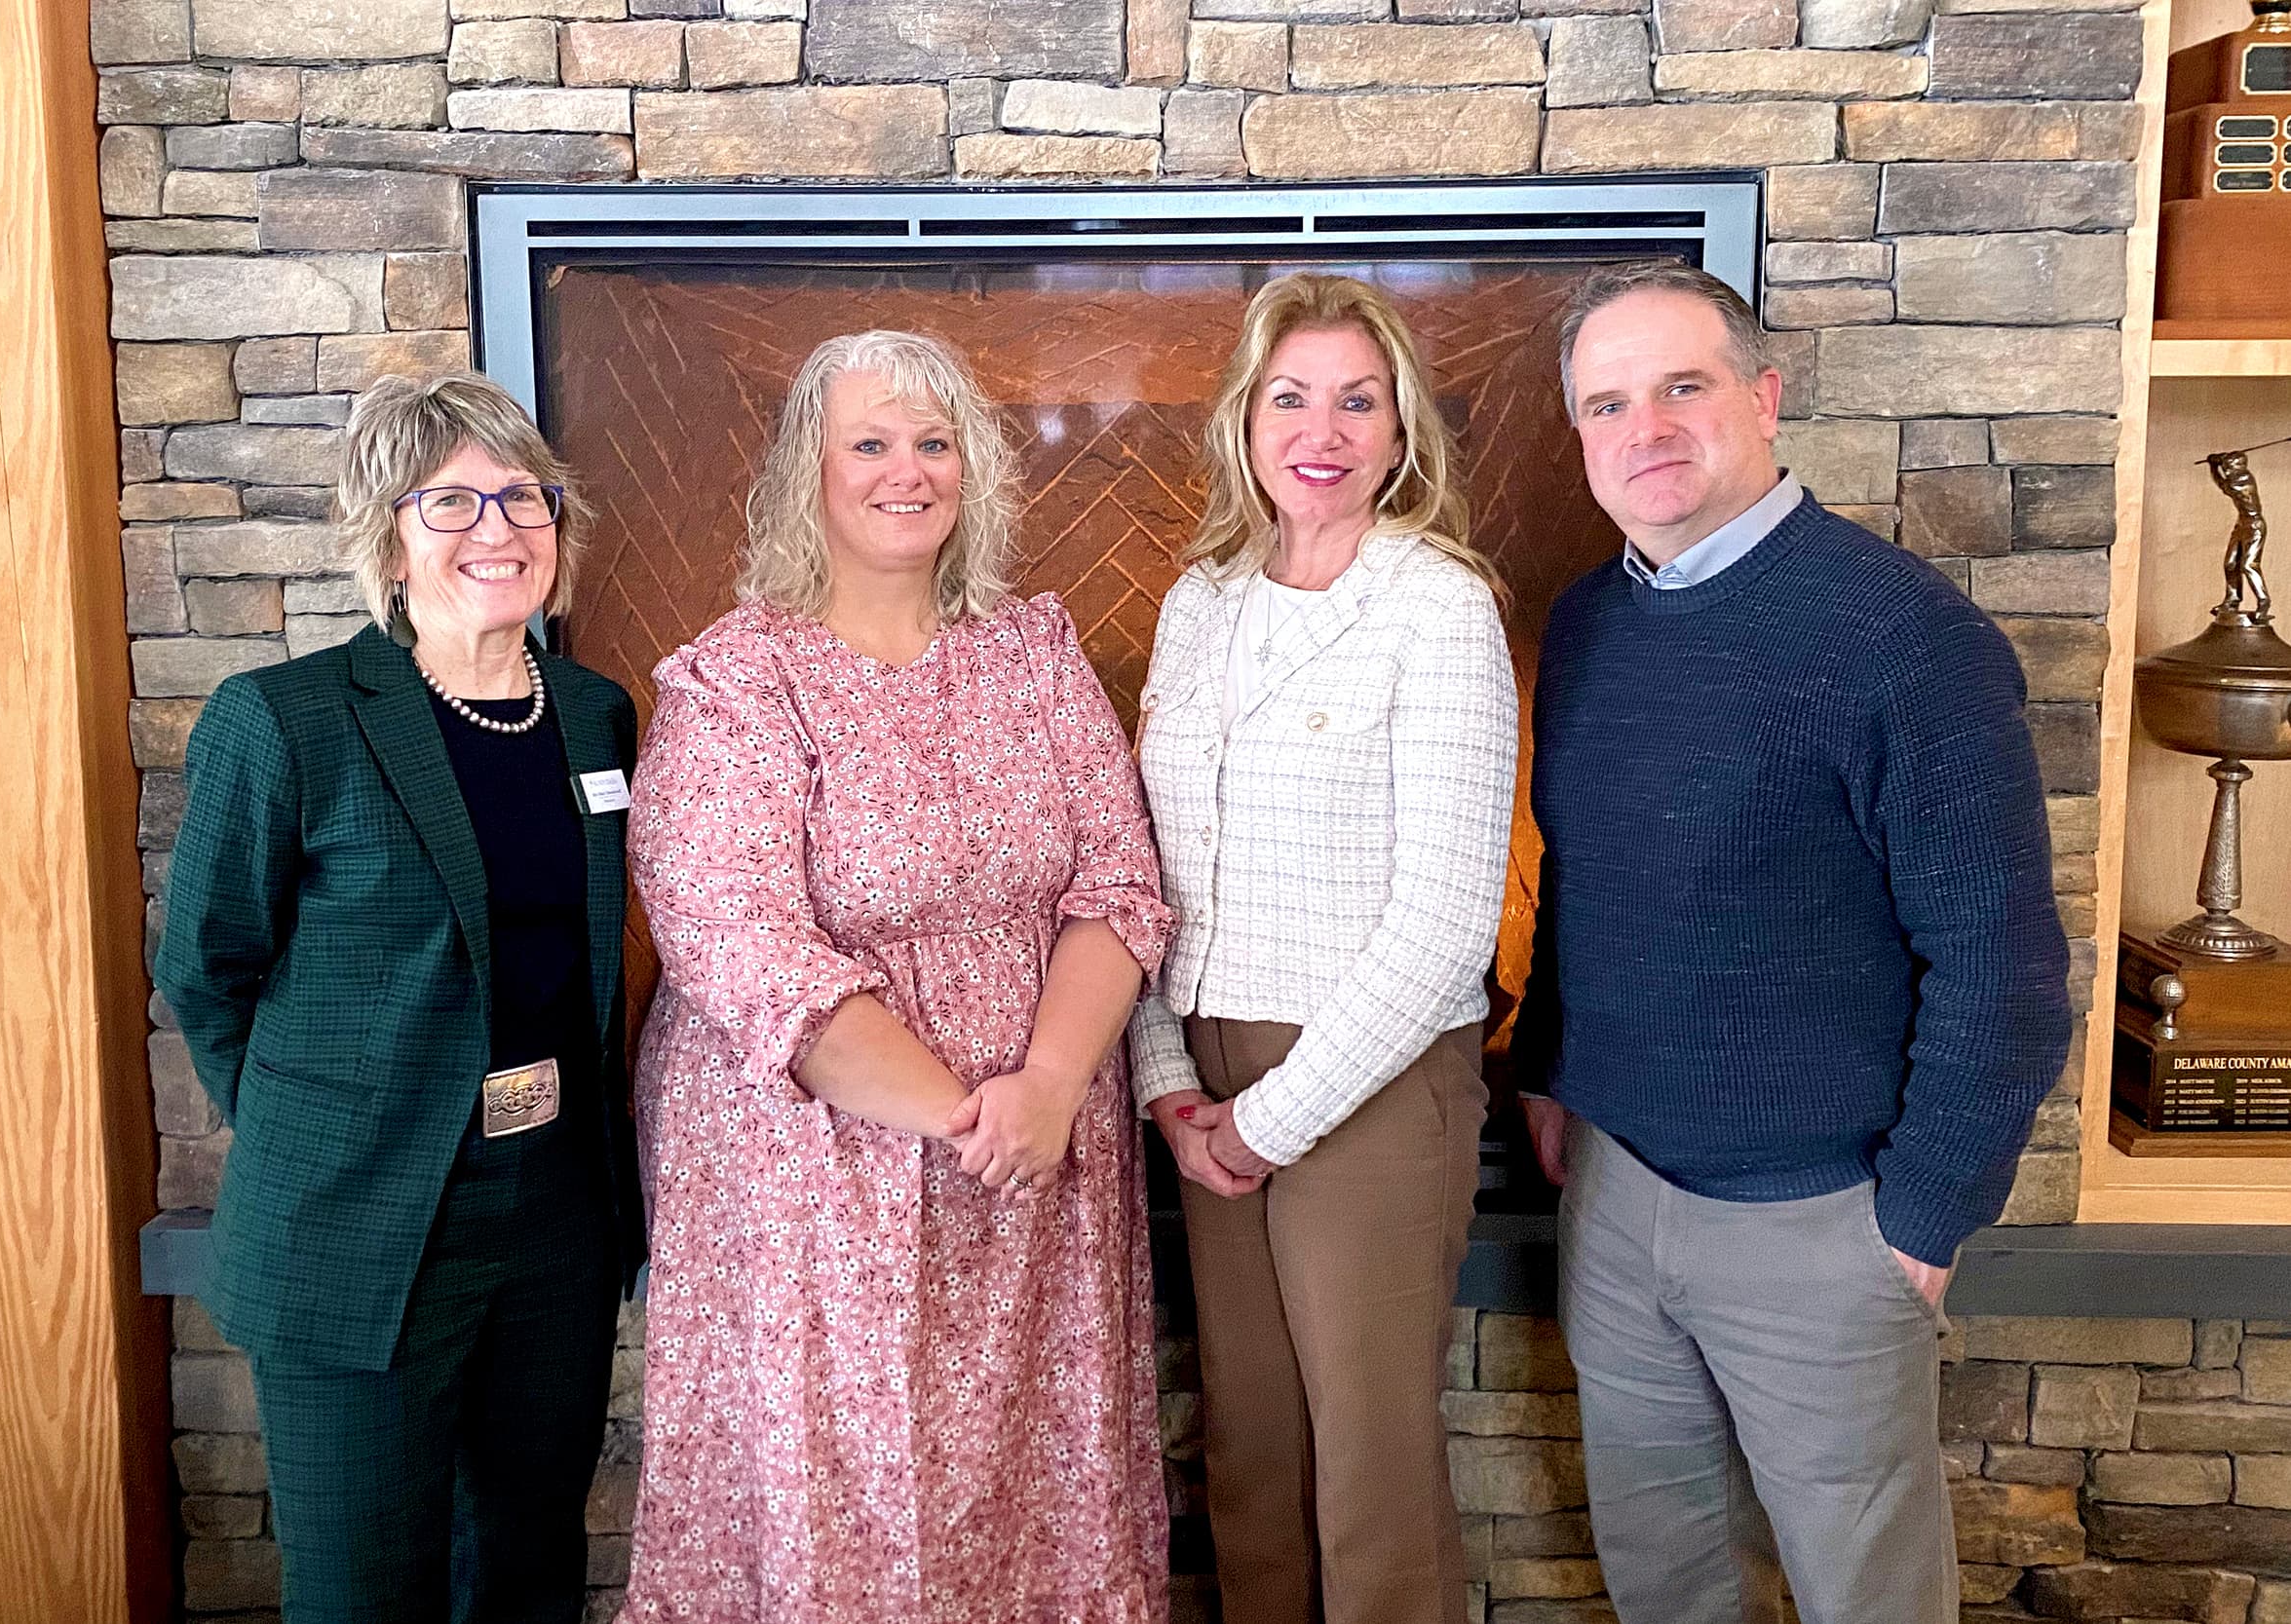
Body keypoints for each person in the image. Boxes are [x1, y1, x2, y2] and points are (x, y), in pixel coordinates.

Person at [1515, 260, 2072, 1624]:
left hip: (1821, 1223)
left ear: (1765, 397)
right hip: (1617, 1195)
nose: (1644, 428)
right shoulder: (1590, 624)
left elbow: (2004, 965)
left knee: (1862, 1593)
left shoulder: (1907, 639)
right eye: (1607, 403)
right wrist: (1544, 1065)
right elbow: (1586, 879)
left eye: (1682, 386)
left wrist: (1923, 1214)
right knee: (1668, 1580)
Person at [619, 330, 1173, 1622]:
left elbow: (1121, 882)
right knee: (849, 1508)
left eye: (933, 442)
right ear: (808, 473)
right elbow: (739, 940)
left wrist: (1039, 1087)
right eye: (868, 441)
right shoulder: (739, 678)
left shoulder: (1033, 650)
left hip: (1041, 1166)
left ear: (972, 470)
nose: (903, 470)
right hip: (817, 1177)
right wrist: (957, 1113)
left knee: (1034, 1494)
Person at [155, 372, 643, 1623]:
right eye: (453, 502)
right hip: (358, 1224)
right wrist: (319, 1134)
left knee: (528, 1566)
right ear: (387, 534)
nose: (498, 528)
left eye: (523, 497)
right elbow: (208, 967)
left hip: (551, 1218)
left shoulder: (594, 717)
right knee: (366, 1586)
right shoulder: (285, 720)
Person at [1127, 273, 1518, 1624]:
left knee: (1367, 1468)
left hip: (1370, 1074)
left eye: (1361, 399)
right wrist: (1169, 1082)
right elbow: (1149, 863)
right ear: (1246, 418)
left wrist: (1268, 1119)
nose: (1326, 427)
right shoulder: (1199, 601)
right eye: (1293, 395)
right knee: (1251, 1446)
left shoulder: (1438, 606)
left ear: (1402, 432)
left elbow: (1447, 921)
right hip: (1207, 1063)